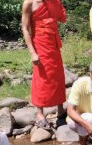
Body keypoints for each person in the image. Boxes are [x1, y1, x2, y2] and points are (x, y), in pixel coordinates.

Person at [22, 0, 67, 128]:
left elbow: (61, 17)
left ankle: (60, 109)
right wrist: (32, 52)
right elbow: (25, 28)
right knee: (42, 77)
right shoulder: (28, 3)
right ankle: (39, 113)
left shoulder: (53, 1)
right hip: (40, 44)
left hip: (53, 43)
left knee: (58, 75)